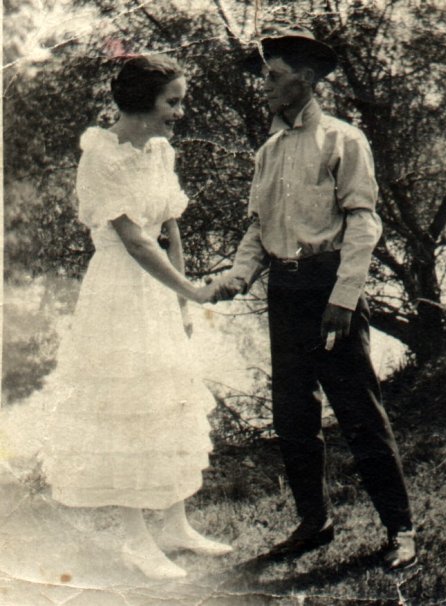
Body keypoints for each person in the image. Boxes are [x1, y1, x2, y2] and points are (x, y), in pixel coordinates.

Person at [212, 26, 416, 569]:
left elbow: (363, 223)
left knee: (359, 413)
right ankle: (314, 522)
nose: (265, 88)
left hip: (331, 290)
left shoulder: (343, 140)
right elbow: (259, 229)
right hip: (285, 292)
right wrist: (236, 278)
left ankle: (401, 530)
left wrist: (345, 298)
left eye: (274, 78)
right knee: (292, 415)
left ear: (303, 81)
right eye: (265, 78)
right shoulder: (269, 150)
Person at [42, 54, 232, 580]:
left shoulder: (160, 152)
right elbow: (135, 240)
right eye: (172, 101)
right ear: (143, 100)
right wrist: (192, 291)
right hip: (119, 294)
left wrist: (180, 298)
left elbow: (169, 230)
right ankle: (135, 537)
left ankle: (175, 524)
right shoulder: (98, 155)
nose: (179, 111)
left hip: (157, 294)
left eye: (181, 100)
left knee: (167, 399)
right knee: (127, 407)